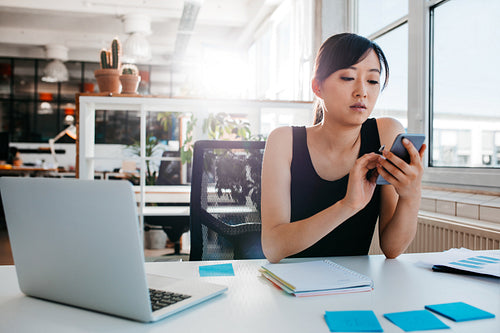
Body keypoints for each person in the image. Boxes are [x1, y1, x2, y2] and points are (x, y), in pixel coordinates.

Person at [261, 33, 426, 263]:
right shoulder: (283, 141)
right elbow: (273, 247)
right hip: (289, 287)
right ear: (317, 87)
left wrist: (411, 195)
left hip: (355, 288)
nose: (362, 91)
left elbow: (392, 248)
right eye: (348, 77)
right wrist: (348, 206)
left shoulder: (386, 133)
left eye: (372, 81)